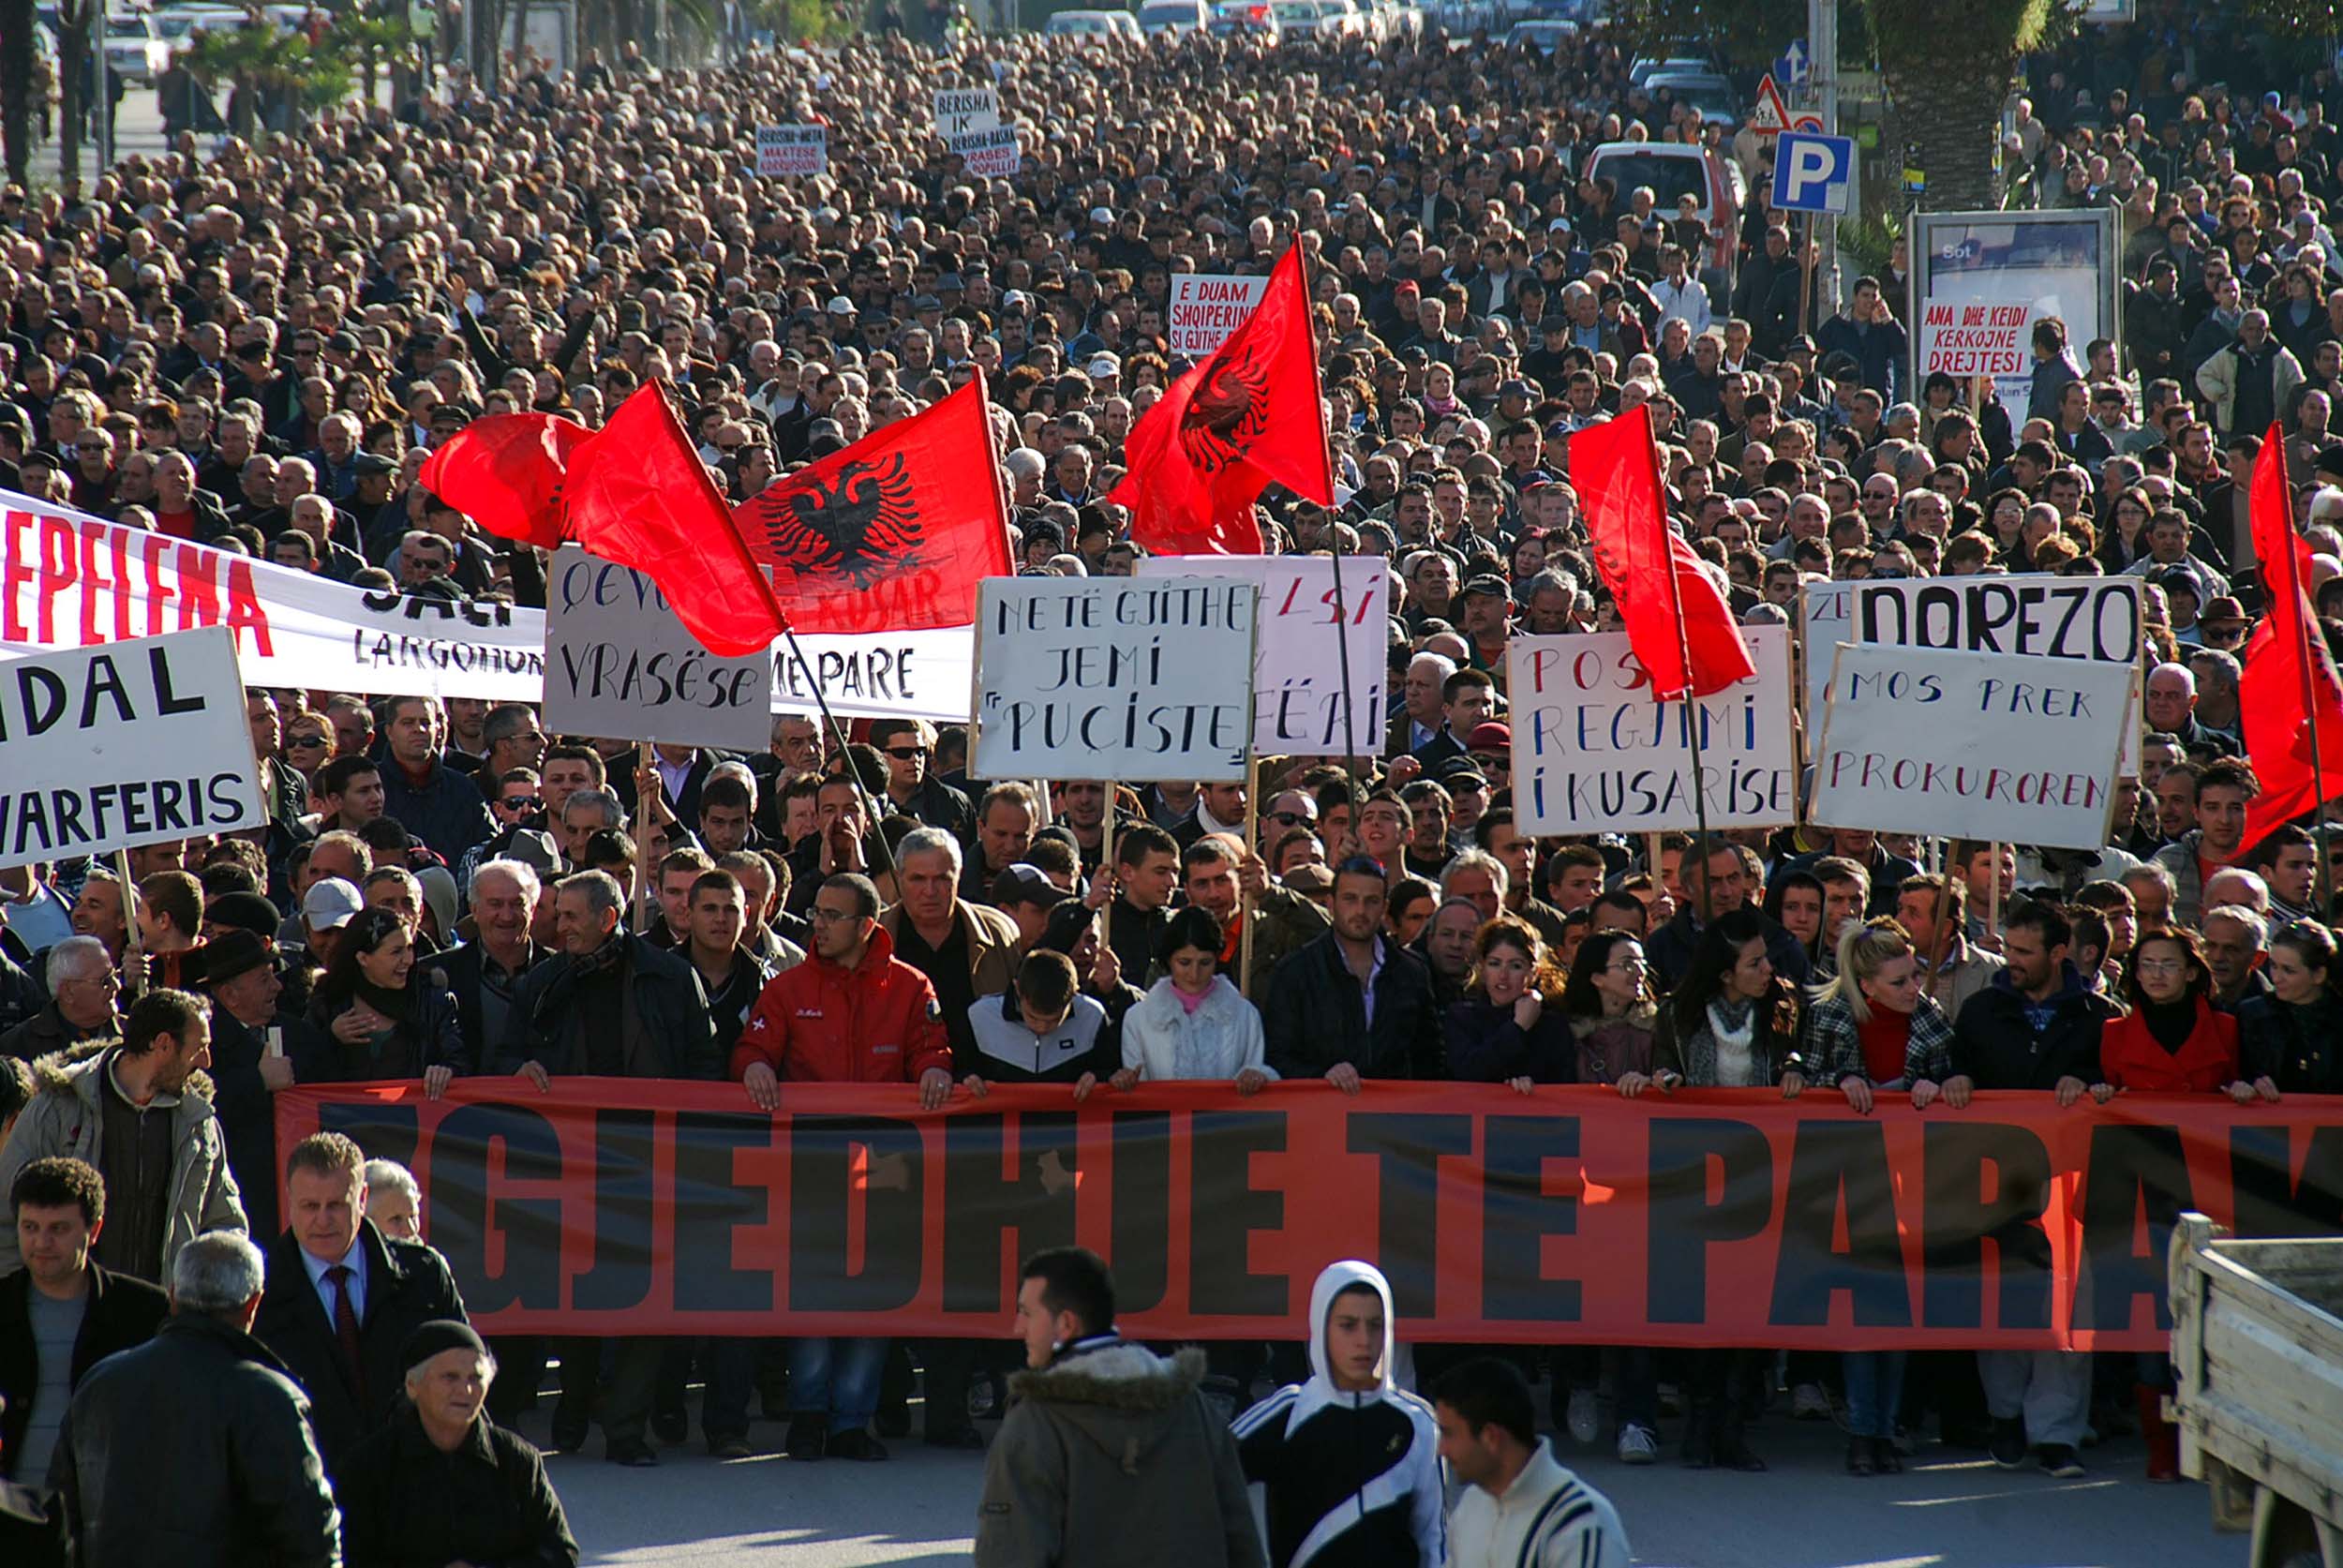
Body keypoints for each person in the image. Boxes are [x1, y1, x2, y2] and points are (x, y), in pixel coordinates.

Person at [498, 869, 718, 1465]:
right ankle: (574, 1402)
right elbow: (506, 1053)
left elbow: (703, 1062)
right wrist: (519, 1069)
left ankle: (626, 1428)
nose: (557, 926)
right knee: (577, 1291)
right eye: (557, 914)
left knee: (647, 1297)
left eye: (571, 916)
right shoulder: (542, 984)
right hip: (568, 1162)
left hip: (653, 1161)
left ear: (608, 918)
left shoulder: (671, 979)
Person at [734, 872, 950, 1462]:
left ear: (866, 926)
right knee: (814, 1294)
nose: (818, 925)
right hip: (812, 1172)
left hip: (885, 1172)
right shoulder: (787, 986)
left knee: (871, 1298)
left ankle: (852, 1420)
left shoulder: (909, 987)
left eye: (832, 915)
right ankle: (808, 1416)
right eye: (817, 913)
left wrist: (935, 1068)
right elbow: (754, 1047)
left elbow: (932, 1046)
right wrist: (753, 1065)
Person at [1941, 901, 2117, 1479]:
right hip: (1997, 1185)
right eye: (2008, 948)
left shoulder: (2100, 1016)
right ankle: (2006, 1416)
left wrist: (2092, 1083)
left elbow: (2121, 1085)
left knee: (2069, 1308)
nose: (2009, 960)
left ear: (2058, 954)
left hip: (2072, 1187)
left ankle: (2058, 1433)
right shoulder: (1981, 1011)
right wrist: (1956, 1079)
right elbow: (1952, 1065)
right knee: (2004, 1300)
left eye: (2023, 952)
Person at [1624, 907, 1802, 1471]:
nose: (1768, 969)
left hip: (1762, 1176)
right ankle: (1701, 1424)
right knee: (1707, 1307)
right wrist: (1667, 1082)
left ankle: (1732, 1425)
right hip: (1698, 1179)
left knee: (1751, 1306)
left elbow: (1797, 1056)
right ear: (1725, 973)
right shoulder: (1678, 1015)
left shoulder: (1784, 1005)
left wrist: (1797, 1070)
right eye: (1754, 962)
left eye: (1766, 958)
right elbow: (1666, 1068)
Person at [51, 1232, 340, 1568]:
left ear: (172, 1296)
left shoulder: (100, 1384)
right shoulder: (269, 1398)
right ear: (253, 1305)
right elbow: (310, 1537)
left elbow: (59, 1517)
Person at [974, 1247, 1261, 1568]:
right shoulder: (1193, 1405)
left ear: (1066, 1324)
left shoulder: (1034, 1422)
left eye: (1027, 1313)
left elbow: (1011, 1551)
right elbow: (1239, 1534)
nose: (1017, 1328)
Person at [1798, 919, 1957, 1475]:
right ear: (1868, 988)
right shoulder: (1831, 1018)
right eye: (1899, 982)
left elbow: (1957, 1077)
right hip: (1851, 1186)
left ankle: (1886, 1430)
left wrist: (1940, 1087)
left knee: (1898, 1315)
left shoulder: (1930, 1019)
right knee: (1863, 1315)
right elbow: (1807, 1079)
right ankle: (1864, 1431)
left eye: (1914, 975)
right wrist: (1841, 1081)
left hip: (1915, 1185)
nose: (1914, 987)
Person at [2093, 926, 2243, 1482]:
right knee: (2157, 1322)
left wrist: (2248, 1091)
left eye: (2168, 964)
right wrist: (2100, 1096)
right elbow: (2096, 1097)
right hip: (2144, 1197)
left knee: (2207, 1317)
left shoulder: (2227, 1030)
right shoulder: (2112, 1032)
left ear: (2191, 971)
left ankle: (2212, 1443)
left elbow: (2242, 1089)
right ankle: (2162, 1448)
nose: (2156, 974)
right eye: (2147, 964)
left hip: (2207, 1192)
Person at [252, 1132, 469, 1479]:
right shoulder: (257, 1292)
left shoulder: (424, 1275)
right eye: (310, 1206)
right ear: (290, 1201)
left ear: (362, 1198)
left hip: (413, 1485)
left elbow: (465, 1385)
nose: (323, 1220)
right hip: (301, 1491)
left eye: (336, 1205)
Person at [0, 988, 246, 1284]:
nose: (206, 1061)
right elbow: (7, 1217)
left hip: (164, 1313)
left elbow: (224, 1222)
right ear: (163, 1044)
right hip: (73, 1310)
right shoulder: (58, 1110)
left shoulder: (197, 1121)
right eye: (199, 1047)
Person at [1232, 1259, 1443, 1567]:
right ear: (1321, 1326)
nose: (1363, 1340)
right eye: (1347, 1325)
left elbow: (1433, 1538)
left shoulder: (1417, 1421)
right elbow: (1204, 1473)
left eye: (1375, 1325)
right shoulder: (1288, 1413)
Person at [336, 1320, 579, 1568]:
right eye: (450, 1378)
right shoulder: (368, 1467)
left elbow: (561, 1552)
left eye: (476, 1378)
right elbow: (346, 1557)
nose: (466, 1389)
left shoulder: (516, 1460)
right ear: (412, 1386)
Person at [0, 1159, 168, 1482]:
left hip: (106, 1510)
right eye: (30, 1227)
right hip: (12, 1511)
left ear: (95, 1230)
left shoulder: (143, 1311)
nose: (41, 1243)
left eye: (59, 1229)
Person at [1260, 857, 1445, 1090]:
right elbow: (1276, 1056)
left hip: (1395, 1117)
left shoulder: (1412, 971)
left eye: (1371, 901)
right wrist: (1322, 1076)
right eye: (1350, 899)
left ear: (1384, 908)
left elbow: (1430, 1057)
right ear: (1330, 903)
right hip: (1323, 1115)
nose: (1360, 910)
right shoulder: (1296, 972)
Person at [1432, 1356, 1632, 1568]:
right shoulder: (1472, 1505)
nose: (1441, 1449)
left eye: (1449, 1434)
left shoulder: (1582, 1526)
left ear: (1491, 1437)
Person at [300, 906, 465, 1091]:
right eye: (396, 952)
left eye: (409, 948)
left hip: (415, 1117)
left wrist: (446, 1070)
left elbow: (459, 1060)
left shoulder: (432, 1001)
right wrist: (331, 1038)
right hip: (347, 1117)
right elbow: (301, 1066)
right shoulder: (328, 1002)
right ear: (363, 959)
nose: (408, 960)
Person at [1114, 906, 1273, 1091]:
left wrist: (1257, 1076)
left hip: (1227, 1119)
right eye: (1184, 962)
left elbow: (1256, 1068)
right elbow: (1137, 1094)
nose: (1194, 973)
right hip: (1164, 1119)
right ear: (1168, 960)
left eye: (1205, 962)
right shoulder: (1139, 1018)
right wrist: (1124, 1081)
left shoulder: (1244, 1014)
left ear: (1217, 959)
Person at [1446, 915, 1576, 1089]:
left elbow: (1564, 1087)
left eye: (1515, 966)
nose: (1503, 976)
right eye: (1495, 964)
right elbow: (1469, 1072)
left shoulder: (1553, 1025)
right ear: (1482, 968)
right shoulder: (1461, 1017)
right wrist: (1517, 1028)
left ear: (1533, 972)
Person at [2235, 919, 2343, 1098]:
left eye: (2288, 970)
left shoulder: (2338, 1018)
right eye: (2273, 966)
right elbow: (2234, 1074)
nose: (2276, 978)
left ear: (2319, 975)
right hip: (2269, 1122)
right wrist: (2248, 1085)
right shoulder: (2252, 1015)